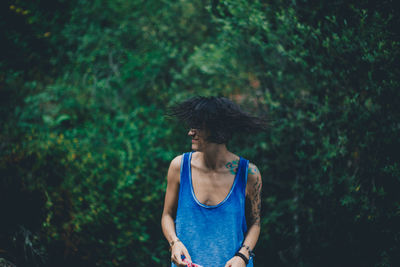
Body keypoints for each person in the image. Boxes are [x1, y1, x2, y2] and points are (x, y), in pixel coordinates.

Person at [161, 96, 265, 267]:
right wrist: (175, 243)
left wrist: (243, 256)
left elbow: (255, 223)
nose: (190, 132)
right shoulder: (179, 167)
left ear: (217, 128)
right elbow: (167, 215)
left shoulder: (249, 174)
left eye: (198, 126)